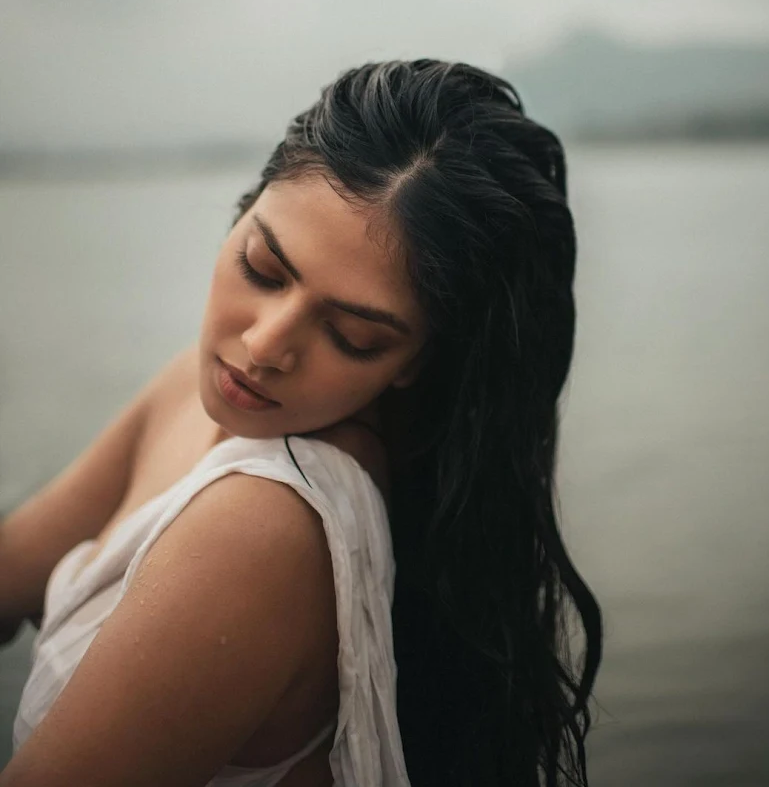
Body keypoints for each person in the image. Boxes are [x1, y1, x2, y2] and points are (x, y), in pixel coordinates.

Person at [0, 59, 602, 786]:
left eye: (353, 336)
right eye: (262, 268)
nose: (261, 346)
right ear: (244, 210)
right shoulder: (199, 395)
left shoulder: (262, 524)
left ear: (412, 363)